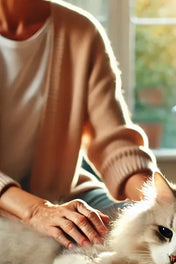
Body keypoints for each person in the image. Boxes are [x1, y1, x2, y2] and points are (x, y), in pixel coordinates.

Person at [0, 0, 158, 248]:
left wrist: (160, 204)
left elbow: (112, 142)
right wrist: (36, 212)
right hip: (22, 207)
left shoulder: (82, 31)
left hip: (63, 196)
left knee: (143, 231)